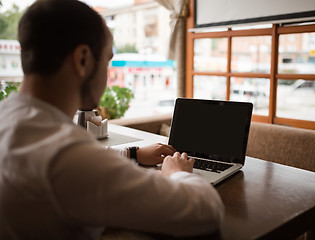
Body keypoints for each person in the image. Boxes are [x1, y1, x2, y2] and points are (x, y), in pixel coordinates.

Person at [0, 0, 224, 239]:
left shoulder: (11, 118)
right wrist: (177, 173)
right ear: (83, 60)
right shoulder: (65, 155)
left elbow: (82, 159)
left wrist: (133, 153)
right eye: (107, 61)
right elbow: (207, 210)